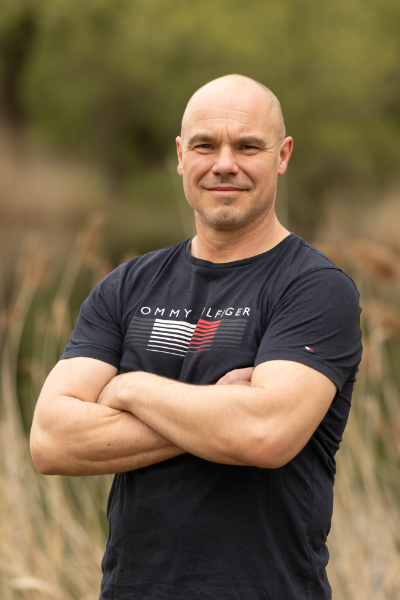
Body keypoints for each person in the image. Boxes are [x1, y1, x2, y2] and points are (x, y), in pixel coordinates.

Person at [30, 74, 362, 600]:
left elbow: (264, 434)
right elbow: (51, 440)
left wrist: (130, 388)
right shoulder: (127, 285)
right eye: (205, 145)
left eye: (248, 146)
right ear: (181, 156)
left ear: (282, 155)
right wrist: (219, 413)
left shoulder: (315, 288)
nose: (224, 164)